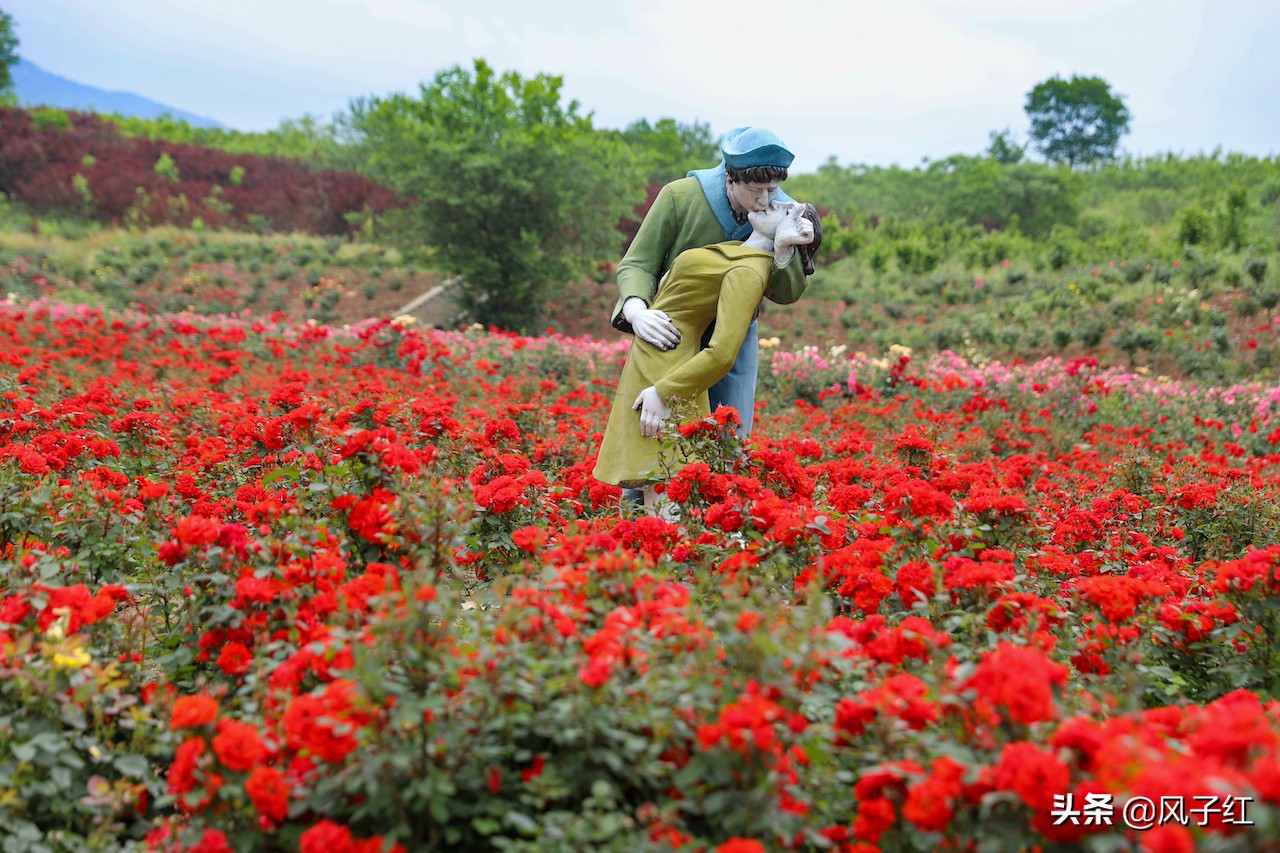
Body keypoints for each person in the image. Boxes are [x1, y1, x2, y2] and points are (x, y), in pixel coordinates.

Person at [594, 201, 822, 515]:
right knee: (648, 486)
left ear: (792, 232)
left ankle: (669, 561)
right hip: (650, 356)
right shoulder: (737, 251)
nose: (775, 201)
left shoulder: (748, 270)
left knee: (662, 485)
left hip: (666, 368)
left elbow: (723, 353)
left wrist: (665, 393)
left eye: (787, 212)